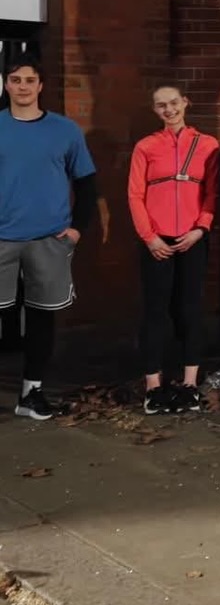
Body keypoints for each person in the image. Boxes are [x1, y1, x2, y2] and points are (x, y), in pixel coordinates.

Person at [0, 59, 97, 420]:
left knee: (41, 317)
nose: (23, 86)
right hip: (2, 238)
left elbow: (86, 183)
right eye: (16, 80)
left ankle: (31, 393)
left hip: (49, 239)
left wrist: (77, 228)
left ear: (40, 85)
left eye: (30, 80)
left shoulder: (65, 130)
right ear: (6, 84)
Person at [127, 85, 220, 414]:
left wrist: (201, 228)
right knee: (155, 312)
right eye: (161, 105)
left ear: (185, 103)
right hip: (157, 241)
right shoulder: (146, 146)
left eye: (173, 103)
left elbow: (212, 192)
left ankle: (190, 384)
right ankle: (153, 386)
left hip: (192, 238)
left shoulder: (207, 144)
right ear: (154, 110)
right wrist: (149, 237)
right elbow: (135, 194)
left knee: (190, 310)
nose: (169, 110)